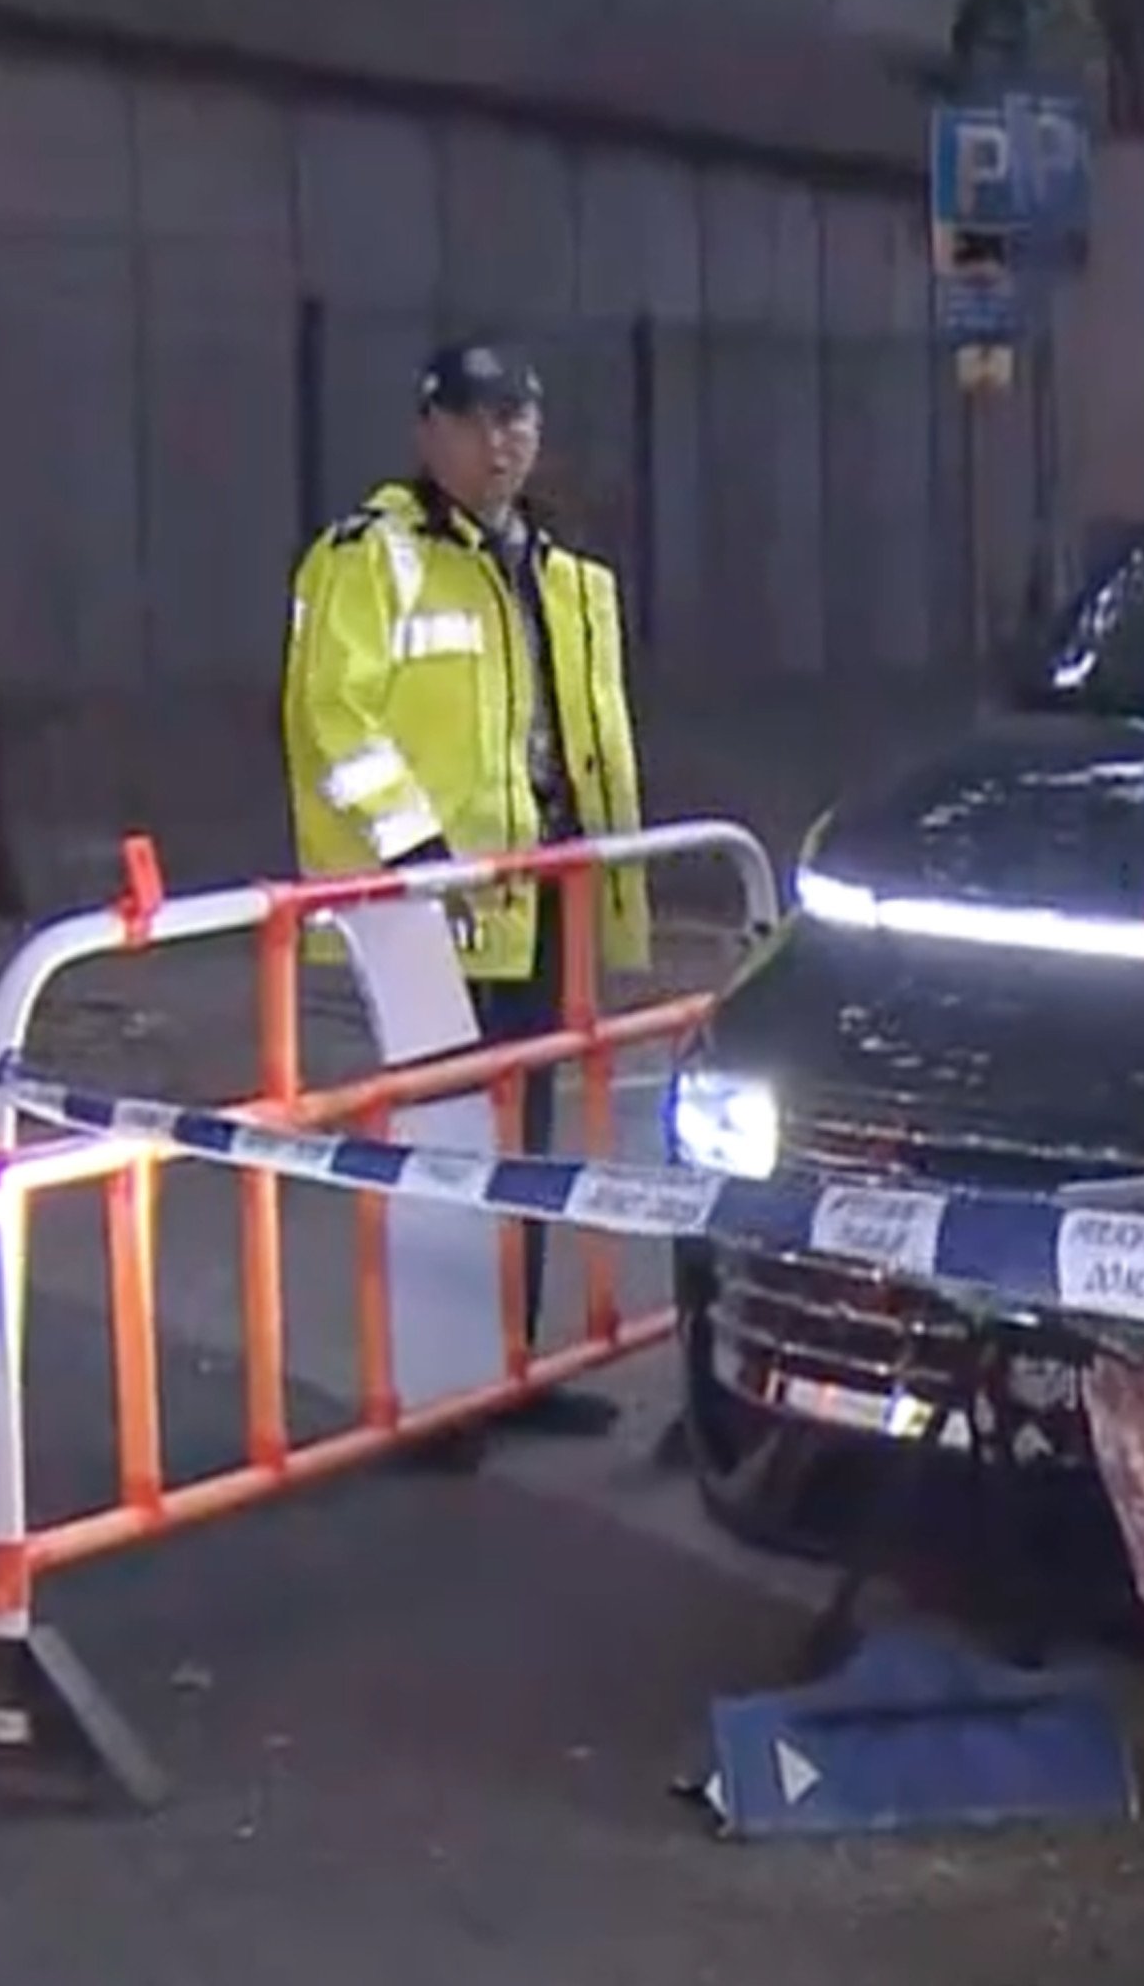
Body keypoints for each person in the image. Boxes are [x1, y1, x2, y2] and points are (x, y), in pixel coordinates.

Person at [281, 339, 653, 1458]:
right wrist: (419, 854)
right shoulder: (369, 560)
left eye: (519, 420)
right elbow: (331, 721)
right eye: (480, 420)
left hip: (542, 903)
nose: (503, 443)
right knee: (442, 1150)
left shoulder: (561, 573)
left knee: (526, 1146)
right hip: (433, 910)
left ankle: (513, 1368)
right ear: (428, 430)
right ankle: (442, 1394)